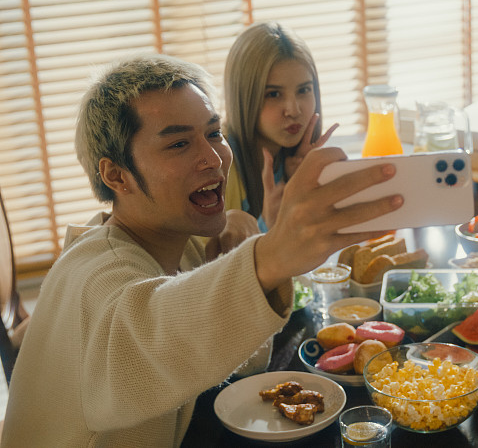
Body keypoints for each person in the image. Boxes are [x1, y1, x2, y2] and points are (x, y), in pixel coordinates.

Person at [0, 54, 401, 446]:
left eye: (213, 133)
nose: (213, 158)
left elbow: (243, 360)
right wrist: (271, 254)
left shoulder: (174, 238)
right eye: (178, 144)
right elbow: (152, 333)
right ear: (116, 175)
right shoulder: (95, 275)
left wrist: (243, 239)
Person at [223, 21, 337, 232]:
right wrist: (267, 222)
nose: (293, 110)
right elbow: (214, 264)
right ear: (244, 97)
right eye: (273, 94)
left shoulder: (293, 160)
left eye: (304, 90)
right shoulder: (221, 164)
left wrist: (297, 183)